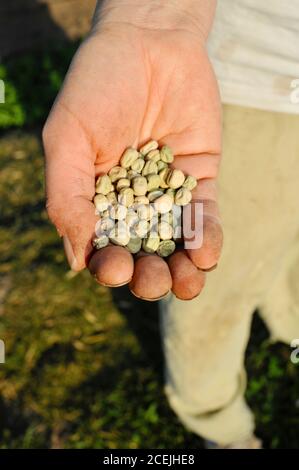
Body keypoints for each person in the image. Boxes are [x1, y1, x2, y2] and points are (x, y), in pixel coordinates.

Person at [43, 0, 299, 448]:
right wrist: (149, 18)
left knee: (282, 238)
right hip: (254, 80)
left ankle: (288, 322)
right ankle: (218, 420)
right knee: (214, 286)